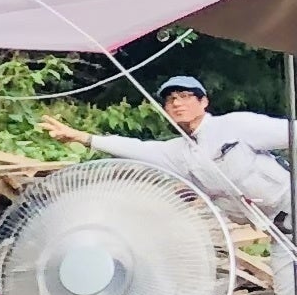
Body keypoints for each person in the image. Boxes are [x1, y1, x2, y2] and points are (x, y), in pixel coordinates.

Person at [44, 75, 294, 224]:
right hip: (276, 228)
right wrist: (83, 137)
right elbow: (136, 148)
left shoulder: (236, 124)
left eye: (185, 96)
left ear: (203, 102)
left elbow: (290, 133)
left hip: (290, 205)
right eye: (171, 99)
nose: (177, 103)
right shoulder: (179, 152)